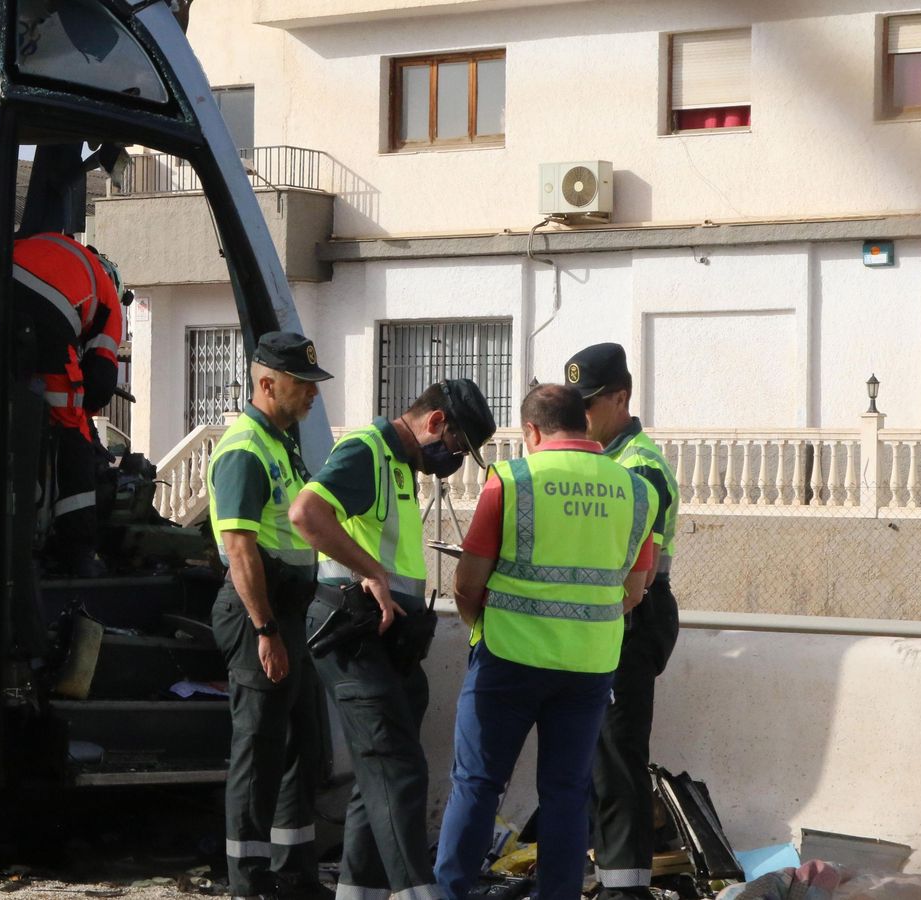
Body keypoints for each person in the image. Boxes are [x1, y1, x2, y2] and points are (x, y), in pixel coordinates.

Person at [433, 384, 658, 900]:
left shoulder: (510, 480)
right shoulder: (637, 489)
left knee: (477, 785)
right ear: (583, 422)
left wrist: (481, 627)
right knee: (567, 794)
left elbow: (467, 583)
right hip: (590, 666)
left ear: (532, 431)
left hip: (507, 660)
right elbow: (635, 590)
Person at [290, 379, 496, 900]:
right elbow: (307, 513)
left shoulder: (400, 465)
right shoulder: (368, 451)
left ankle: (360, 891)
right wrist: (372, 572)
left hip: (386, 640)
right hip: (352, 633)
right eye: (455, 446)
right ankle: (417, 892)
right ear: (436, 422)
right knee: (397, 769)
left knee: (376, 777)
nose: (453, 459)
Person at [206, 331, 333, 900]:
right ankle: (249, 881)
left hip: (291, 609)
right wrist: (264, 630)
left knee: (304, 749)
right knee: (258, 752)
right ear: (266, 382)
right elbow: (239, 548)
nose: (311, 395)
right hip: (263, 610)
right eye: (301, 384)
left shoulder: (281, 443)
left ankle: (294, 873)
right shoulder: (245, 448)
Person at [564, 343, 681, 900]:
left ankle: (625, 887)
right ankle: (605, 875)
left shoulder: (641, 467)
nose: (579, 417)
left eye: (588, 405)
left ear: (621, 398)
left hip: (631, 618)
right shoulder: (603, 460)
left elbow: (637, 571)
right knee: (592, 755)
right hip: (602, 621)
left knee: (615, 757)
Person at [13, 232, 124, 575]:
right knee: (70, 426)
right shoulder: (109, 299)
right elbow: (101, 383)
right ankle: (78, 551)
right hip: (47, 306)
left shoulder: (68, 255)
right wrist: (84, 419)